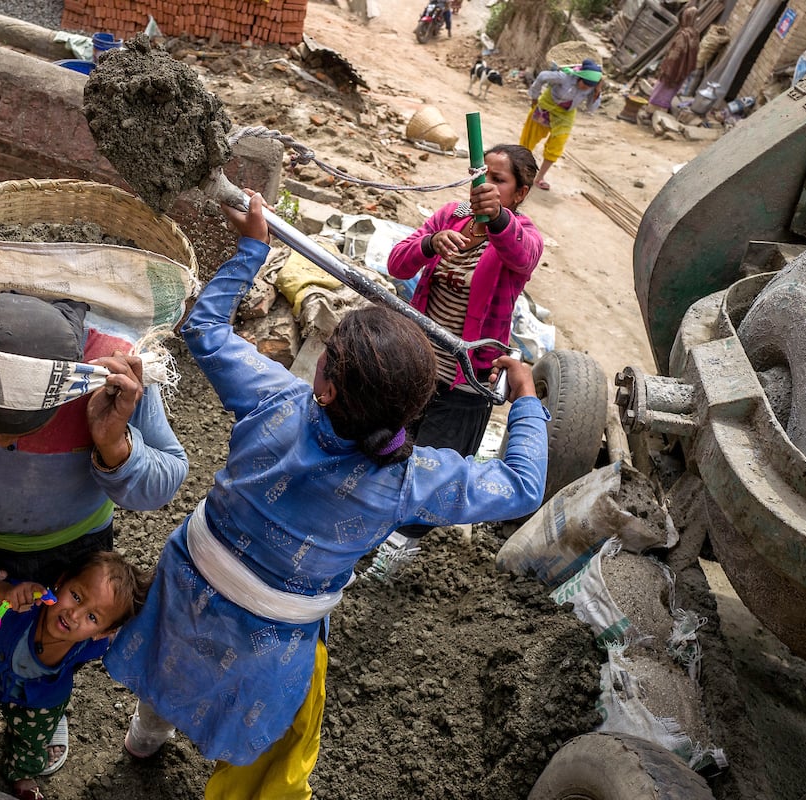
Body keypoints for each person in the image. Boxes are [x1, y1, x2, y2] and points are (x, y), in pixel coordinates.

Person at [102, 191, 549, 799]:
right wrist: (525, 401)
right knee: (242, 713)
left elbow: (204, 328)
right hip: (272, 635)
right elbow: (521, 484)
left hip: (187, 584)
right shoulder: (409, 481)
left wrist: (253, 247)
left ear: (327, 385)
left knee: (169, 663)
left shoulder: (273, 399)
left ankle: (143, 742)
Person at [0, 290, 188, 776]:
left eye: (18, 427)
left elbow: (163, 481)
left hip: (73, 553)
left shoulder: (110, 370)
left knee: (59, 646)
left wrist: (113, 444)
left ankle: (41, 711)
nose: (2, 442)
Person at [0, 550, 151, 800]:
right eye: (76, 596)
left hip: (41, 701)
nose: (74, 615)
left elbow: (136, 642)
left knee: (32, 740)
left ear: (102, 632)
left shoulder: (95, 645)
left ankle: (21, 772)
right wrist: (4, 593)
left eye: (92, 617)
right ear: (60, 582)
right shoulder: (27, 601)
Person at [386, 143, 543, 459]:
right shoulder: (451, 216)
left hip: (465, 385)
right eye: (481, 175)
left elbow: (523, 255)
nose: (484, 186)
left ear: (520, 193)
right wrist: (430, 243)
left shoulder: (523, 234)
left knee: (432, 476)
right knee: (384, 458)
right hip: (415, 370)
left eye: (498, 180)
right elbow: (396, 264)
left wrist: (497, 217)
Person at [518, 58, 604, 190]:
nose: (585, 88)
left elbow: (591, 109)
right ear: (579, 78)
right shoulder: (564, 77)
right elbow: (542, 76)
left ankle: (539, 177)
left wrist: (597, 92)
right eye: (584, 85)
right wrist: (534, 96)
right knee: (528, 140)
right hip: (546, 107)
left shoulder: (591, 88)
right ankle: (519, 171)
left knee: (557, 145)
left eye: (589, 87)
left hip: (565, 115)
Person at [648, 6, 700, 114]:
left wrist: (667, 67)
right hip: (684, 68)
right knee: (671, 90)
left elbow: (675, 54)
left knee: (662, 88)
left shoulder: (683, 34)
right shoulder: (695, 34)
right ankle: (663, 109)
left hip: (673, 68)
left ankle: (652, 110)